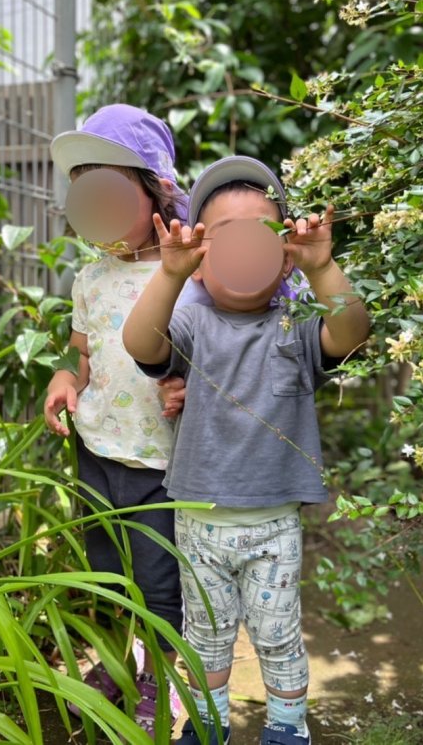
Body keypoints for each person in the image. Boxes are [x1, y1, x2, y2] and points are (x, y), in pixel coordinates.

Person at [122, 156, 371, 745]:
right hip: (199, 522)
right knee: (205, 638)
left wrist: (324, 266)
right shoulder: (191, 323)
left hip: (274, 522)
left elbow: (352, 332)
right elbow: (141, 345)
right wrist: (169, 274)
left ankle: (287, 728)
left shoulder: (297, 323)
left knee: (278, 636)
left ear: (284, 252)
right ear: (202, 261)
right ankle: (208, 726)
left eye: (259, 237)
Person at [43, 103, 187, 737]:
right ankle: (116, 664)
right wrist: (63, 379)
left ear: (154, 190)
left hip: (164, 460)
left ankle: (163, 675)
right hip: (97, 449)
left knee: (160, 584)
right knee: (107, 577)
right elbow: (84, 353)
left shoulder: (189, 271)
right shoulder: (89, 277)